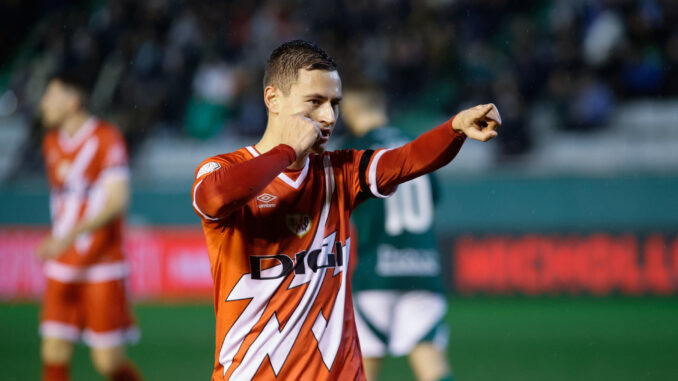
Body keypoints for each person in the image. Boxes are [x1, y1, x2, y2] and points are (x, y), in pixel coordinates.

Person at [191, 40, 500, 381]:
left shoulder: (340, 171)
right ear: (273, 99)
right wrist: (285, 151)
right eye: (315, 102)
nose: (329, 117)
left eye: (335, 104)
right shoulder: (221, 169)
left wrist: (454, 127)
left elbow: (407, 160)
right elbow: (215, 197)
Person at [341, 87, 456, 381]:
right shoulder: (415, 144)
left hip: (376, 271)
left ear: (351, 111)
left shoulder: (356, 148)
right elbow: (432, 198)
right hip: (423, 267)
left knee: (362, 370)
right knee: (432, 364)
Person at [37, 70, 143, 381]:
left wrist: (67, 236)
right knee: (53, 353)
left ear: (73, 101)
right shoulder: (51, 142)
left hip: (102, 265)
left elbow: (117, 200)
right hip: (63, 265)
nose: (43, 103)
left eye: (50, 95)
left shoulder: (106, 138)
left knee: (108, 363)